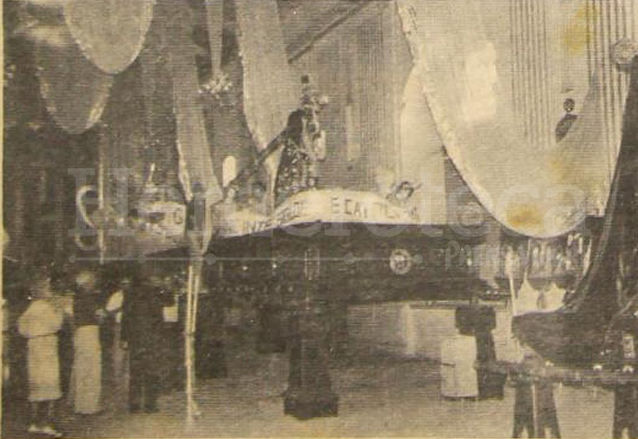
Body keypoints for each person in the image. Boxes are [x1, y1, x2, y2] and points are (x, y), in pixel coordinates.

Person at [17, 272, 64, 437]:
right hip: (46, 346)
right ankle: (46, 424)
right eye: (48, 288)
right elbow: (57, 325)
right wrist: (59, 311)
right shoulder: (47, 307)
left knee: (36, 385)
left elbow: (21, 329)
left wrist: (33, 333)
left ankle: (35, 423)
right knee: (50, 384)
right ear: (43, 290)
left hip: (33, 346)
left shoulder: (30, 308)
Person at [122, 274, 171, 413]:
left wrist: (124, 338)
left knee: (135, 372)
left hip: (135, 338)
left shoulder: (129, 294)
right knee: (151, 371)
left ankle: (134, 405)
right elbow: (168, 304)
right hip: (152, 338)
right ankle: (150, 404)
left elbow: (125, 317)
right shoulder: (156, 293)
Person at [72, 270, 106, 415]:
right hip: (90, 332)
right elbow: (101, 316)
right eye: (92, 282)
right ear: (87, 283)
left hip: (79, 333)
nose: (94, 284)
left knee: (81, 369)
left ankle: (80, 406)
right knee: (93, 369)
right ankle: (90, 406)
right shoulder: (90, 298)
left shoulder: (76, 298)